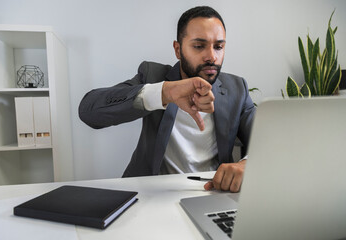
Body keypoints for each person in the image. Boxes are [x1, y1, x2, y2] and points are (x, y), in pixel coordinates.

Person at [79, 6, 255, 192]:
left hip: (212, 192)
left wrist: (247, 165)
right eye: (199, 46)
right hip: (154, 193)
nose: (212, 56)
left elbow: (268, 142)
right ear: (178, 50)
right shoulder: (153, 76)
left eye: (218, 46)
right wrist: (164, 93)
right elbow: (89, 110)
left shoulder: (237, 89)